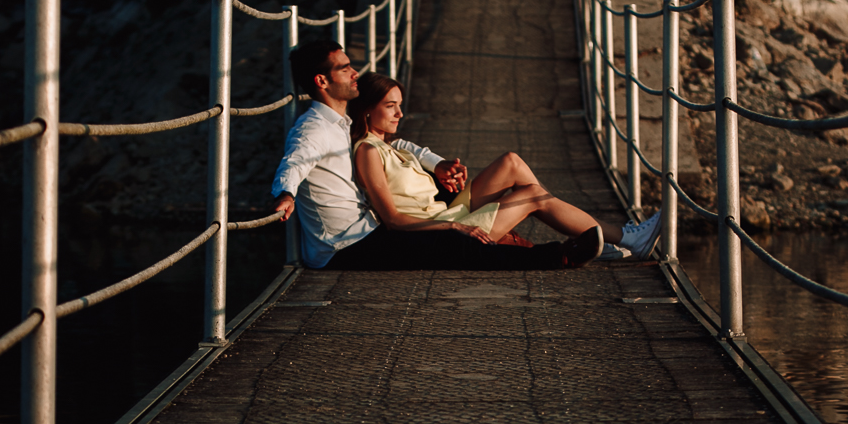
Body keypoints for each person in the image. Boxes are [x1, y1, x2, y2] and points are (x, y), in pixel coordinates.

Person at [269, 42, 643, 270]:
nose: (355, 73)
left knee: (510, 172)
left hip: (379, 228)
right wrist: (285, 193)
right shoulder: (316, 128)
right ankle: (577, 248)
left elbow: (398, 146)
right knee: (465, 242)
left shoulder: (343, 124)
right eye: (345, 68)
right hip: (350, 243)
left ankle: (609, 239)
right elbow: (297, 157)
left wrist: (437, 164)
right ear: (322, 81)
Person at [348, 72, 661, 261]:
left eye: (400, 105)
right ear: (366, 111)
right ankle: (624, 237)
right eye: (390, 106)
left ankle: (590, 236)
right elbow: (393, 220)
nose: (400, 113)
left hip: (446, 214)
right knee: (534, 195)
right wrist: (455, 226)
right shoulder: (368, 152)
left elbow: (409, 148)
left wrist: (437, 163)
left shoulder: (388, 145)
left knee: (511, 162)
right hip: (439, 233)